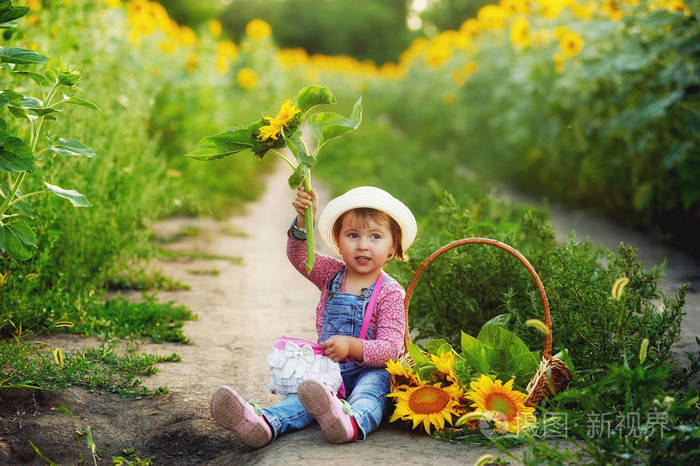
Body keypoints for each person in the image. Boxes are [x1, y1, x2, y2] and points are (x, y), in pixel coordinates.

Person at [210, 185, 417, 447]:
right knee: (303, 396)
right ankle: (263, 423)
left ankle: (350, 422)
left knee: (370, 394)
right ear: (339, 243)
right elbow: (298, 256)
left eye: (375, 237)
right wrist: (302, 219)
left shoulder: (390, 292)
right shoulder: (331, 273)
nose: (363, 245)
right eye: (353, 235)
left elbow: (390, 349)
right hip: (329, 370)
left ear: (392, 248)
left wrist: (352, 346)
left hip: (371, 371)